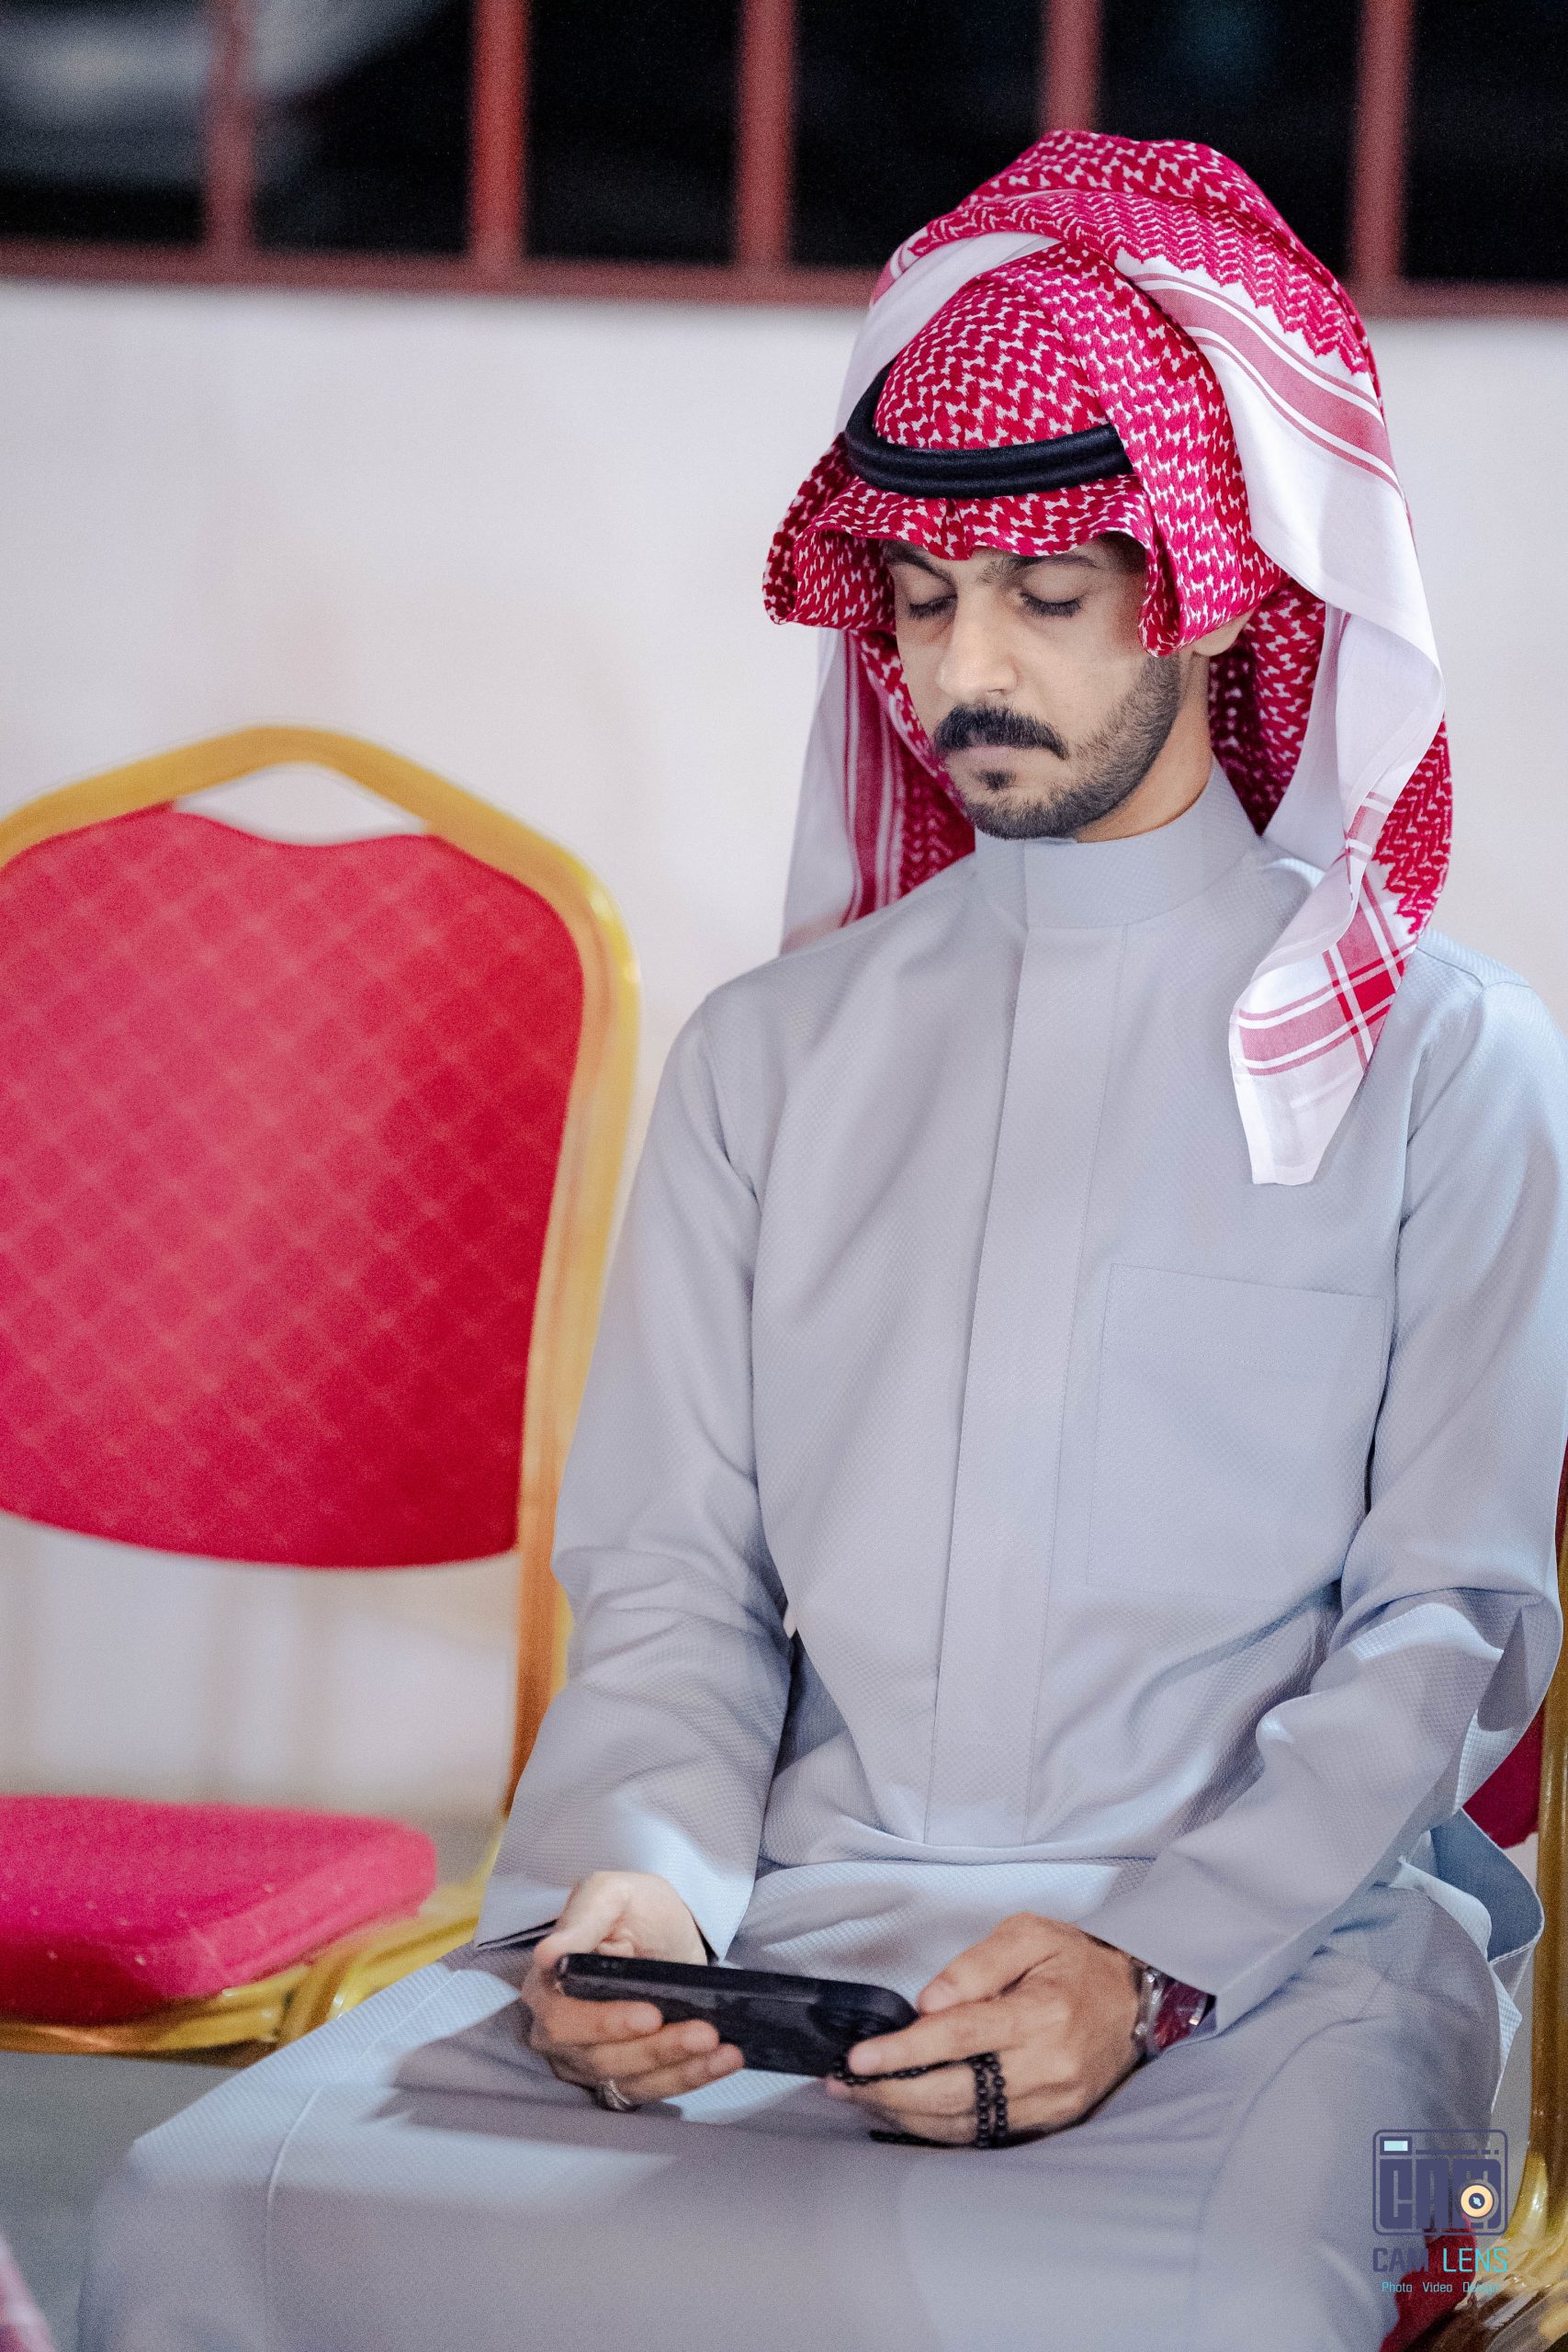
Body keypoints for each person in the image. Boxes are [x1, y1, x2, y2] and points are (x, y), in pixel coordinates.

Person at [81, 134, 1568, 2352]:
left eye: (1042, 597)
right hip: (791, 1936)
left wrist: (1143, 1967)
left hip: (1301, 1961)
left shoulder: (1444, 1060)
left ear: (1206, 591)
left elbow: (1446, 1627)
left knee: (1241, 2298)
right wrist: (634, 1898)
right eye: (920, 598)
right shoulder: (771, 1057)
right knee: (198, 2205)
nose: (963, 666)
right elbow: (676, 1581)